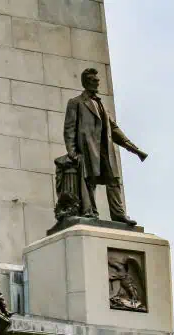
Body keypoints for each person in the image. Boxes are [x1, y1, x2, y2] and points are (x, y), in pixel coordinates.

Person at [63, 68, 148, 224]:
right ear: (85, 82)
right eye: (93, 80)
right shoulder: (76, 103)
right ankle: (90, 212)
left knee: (113, 181)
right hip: (88, 148)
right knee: (89, 180)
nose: (97, 82)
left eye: (97, 80)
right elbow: (69, 129)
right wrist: (72, 152)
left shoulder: (101, 105)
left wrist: (134, 149)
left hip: (105, 149)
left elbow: (114, 130)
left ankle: (118, 214)